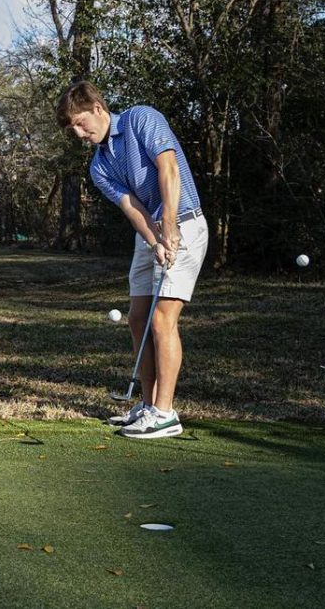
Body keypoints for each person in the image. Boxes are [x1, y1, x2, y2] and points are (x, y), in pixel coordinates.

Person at [55, 81, 207, 439]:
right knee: (138, 318)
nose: (79, 133)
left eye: (80, 123)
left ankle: (166, 413)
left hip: (184, 221)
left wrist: (169, 228)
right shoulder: (99, 167)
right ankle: (148, 404)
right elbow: (131, 207)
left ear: (97, 107)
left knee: (161, 318)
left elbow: (168, 169)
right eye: (72, 129)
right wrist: (155, 240)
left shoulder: (142, 118)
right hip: (150, 234)